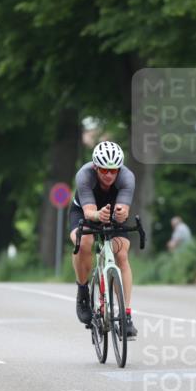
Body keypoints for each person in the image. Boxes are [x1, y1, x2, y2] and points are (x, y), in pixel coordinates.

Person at [71, 141, 138, 338]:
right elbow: (89, 212)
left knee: (122, 254)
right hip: (85, 211)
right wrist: (98, 214)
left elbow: (124, 210)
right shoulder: (84, 175)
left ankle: (126, 316)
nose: (109, 175)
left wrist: (120, 214)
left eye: (113, 170)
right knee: (84, 243)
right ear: (95, 167)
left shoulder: (127, 177)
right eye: (104, 170)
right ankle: (83, 292)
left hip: (110, 213)